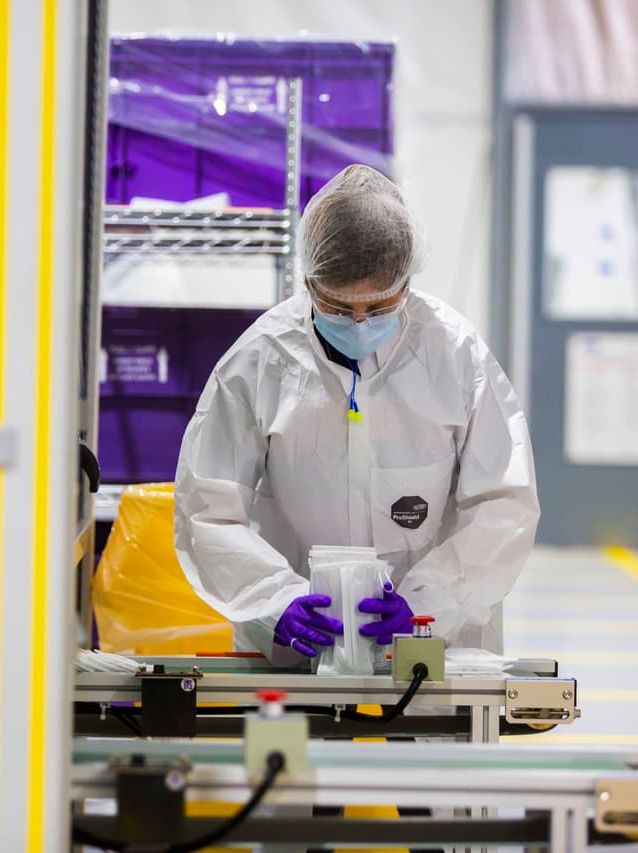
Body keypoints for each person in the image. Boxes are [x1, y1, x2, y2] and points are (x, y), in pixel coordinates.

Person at [173, 164, 540, 662]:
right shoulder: (260, 360)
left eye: (380, 306)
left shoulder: (455, 356)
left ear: (407, 282)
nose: (361, 322)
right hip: (298, 640)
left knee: (437, 737)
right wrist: (276, 600)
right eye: (341, 308)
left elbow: (503, 503)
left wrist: (427, 603)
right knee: (291, 740)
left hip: (432, 640)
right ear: (309, 282)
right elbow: (207, 508)